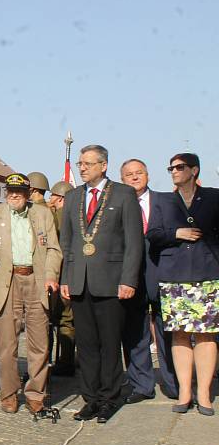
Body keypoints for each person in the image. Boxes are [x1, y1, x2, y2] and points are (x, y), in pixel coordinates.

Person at [59, 144, 144, 423]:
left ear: (103, 165)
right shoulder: (72, 198)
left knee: (109, 344)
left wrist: (128, 279)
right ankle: (90, 398)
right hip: (80, 282)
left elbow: (133, 242)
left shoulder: (123, 194)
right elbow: (67, 243)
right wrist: (65, 279)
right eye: (80, 163)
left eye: (87, 163)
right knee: (86, 345)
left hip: (111, 282)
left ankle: (110, 398)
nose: (81, 168)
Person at [0, 173, 62, 414]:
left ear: (28, 193)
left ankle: (36, 395)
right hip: (6, 280)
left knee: (39, 343)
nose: (14, 195)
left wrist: (52, 276)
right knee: (7, 345)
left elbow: (54, 249)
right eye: (10, 191)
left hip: (36, 279)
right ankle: (9, 394)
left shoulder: (43, 214)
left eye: (19, 191)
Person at [147, 153, 219, 416]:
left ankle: (204, 395)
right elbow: (152, 234)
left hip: (207, 275)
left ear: (194, 170)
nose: (174, 171)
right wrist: (176, 233)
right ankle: (185, 393)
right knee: (178, 334)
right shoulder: (164, 201)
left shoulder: (213, 197)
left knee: (205, 335)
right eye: (171, 168)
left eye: (179, 167)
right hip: (175, 276)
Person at [119, 159, 162, 403]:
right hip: (130, 276)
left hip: (161, 273)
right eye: (129, 175)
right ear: (122, 179)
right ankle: (141, 384)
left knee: (166, 331)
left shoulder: (165, 201)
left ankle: (172, 381)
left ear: (147, 175)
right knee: (135, 332)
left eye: (139, 173)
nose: (135, 177)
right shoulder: (118, 204)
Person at [47, 180, 77, 377]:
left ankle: (50, 363)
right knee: (68, 321)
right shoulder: (78, 216)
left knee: (49, 320)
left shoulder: (53, 215)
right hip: (72, 274)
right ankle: (67, 360)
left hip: (55, 273)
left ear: (58, 198)